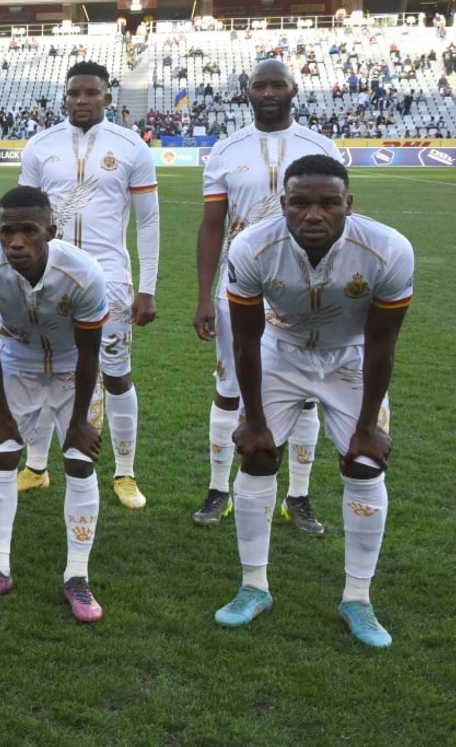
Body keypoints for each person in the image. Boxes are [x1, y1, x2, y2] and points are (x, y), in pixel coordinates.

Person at [216, 155, 411, 649]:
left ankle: (358, 598)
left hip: (351, 358)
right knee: (258, 455)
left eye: (328, 203)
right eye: (300, 203)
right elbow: (244, 340)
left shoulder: (389, 250)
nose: (314, 214)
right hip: (280, 353)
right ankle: (253, 586)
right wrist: (253, 418)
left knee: (365, 463)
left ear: (350, 204)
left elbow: (383, 345)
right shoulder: (252, 246)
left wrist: (368, 426)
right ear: (283, 204)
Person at [192, 59, 341, 530]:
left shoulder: (320, 146)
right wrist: (203, 295)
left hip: (306, 291)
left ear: (294, 89)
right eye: (260, 85)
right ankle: (218, 489)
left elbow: (338, 221)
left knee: (306, 395)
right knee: (228, 391)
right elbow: (212, 226)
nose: (269, 92)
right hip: (238, 289)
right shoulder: (225, 150)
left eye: (278, 84)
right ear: (247, 91)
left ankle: (298, 496)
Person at [0, 187, 109, 621]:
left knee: (80, 461)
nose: (17, 242)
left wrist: (80, 420)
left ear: (51, 232)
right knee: (2, 457)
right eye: (7, 232)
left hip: (71, 367)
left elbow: (89, 353)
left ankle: (77, 576)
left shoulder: (83, 274)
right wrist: (2, 413)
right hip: (16, 364)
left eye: (29, 231)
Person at [17, 61, 159, 508]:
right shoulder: (41, 147)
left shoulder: (131, 147)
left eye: (91, 93)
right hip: (47, 277)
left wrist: (147, 286)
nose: (82, 100)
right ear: (65, 96)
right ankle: (36, 467)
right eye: (74, 93)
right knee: (43, 370)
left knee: (116, 376)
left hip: (110, 280)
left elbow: (149, 222)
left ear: (107, 97)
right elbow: (23, 216)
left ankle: (125, 473)